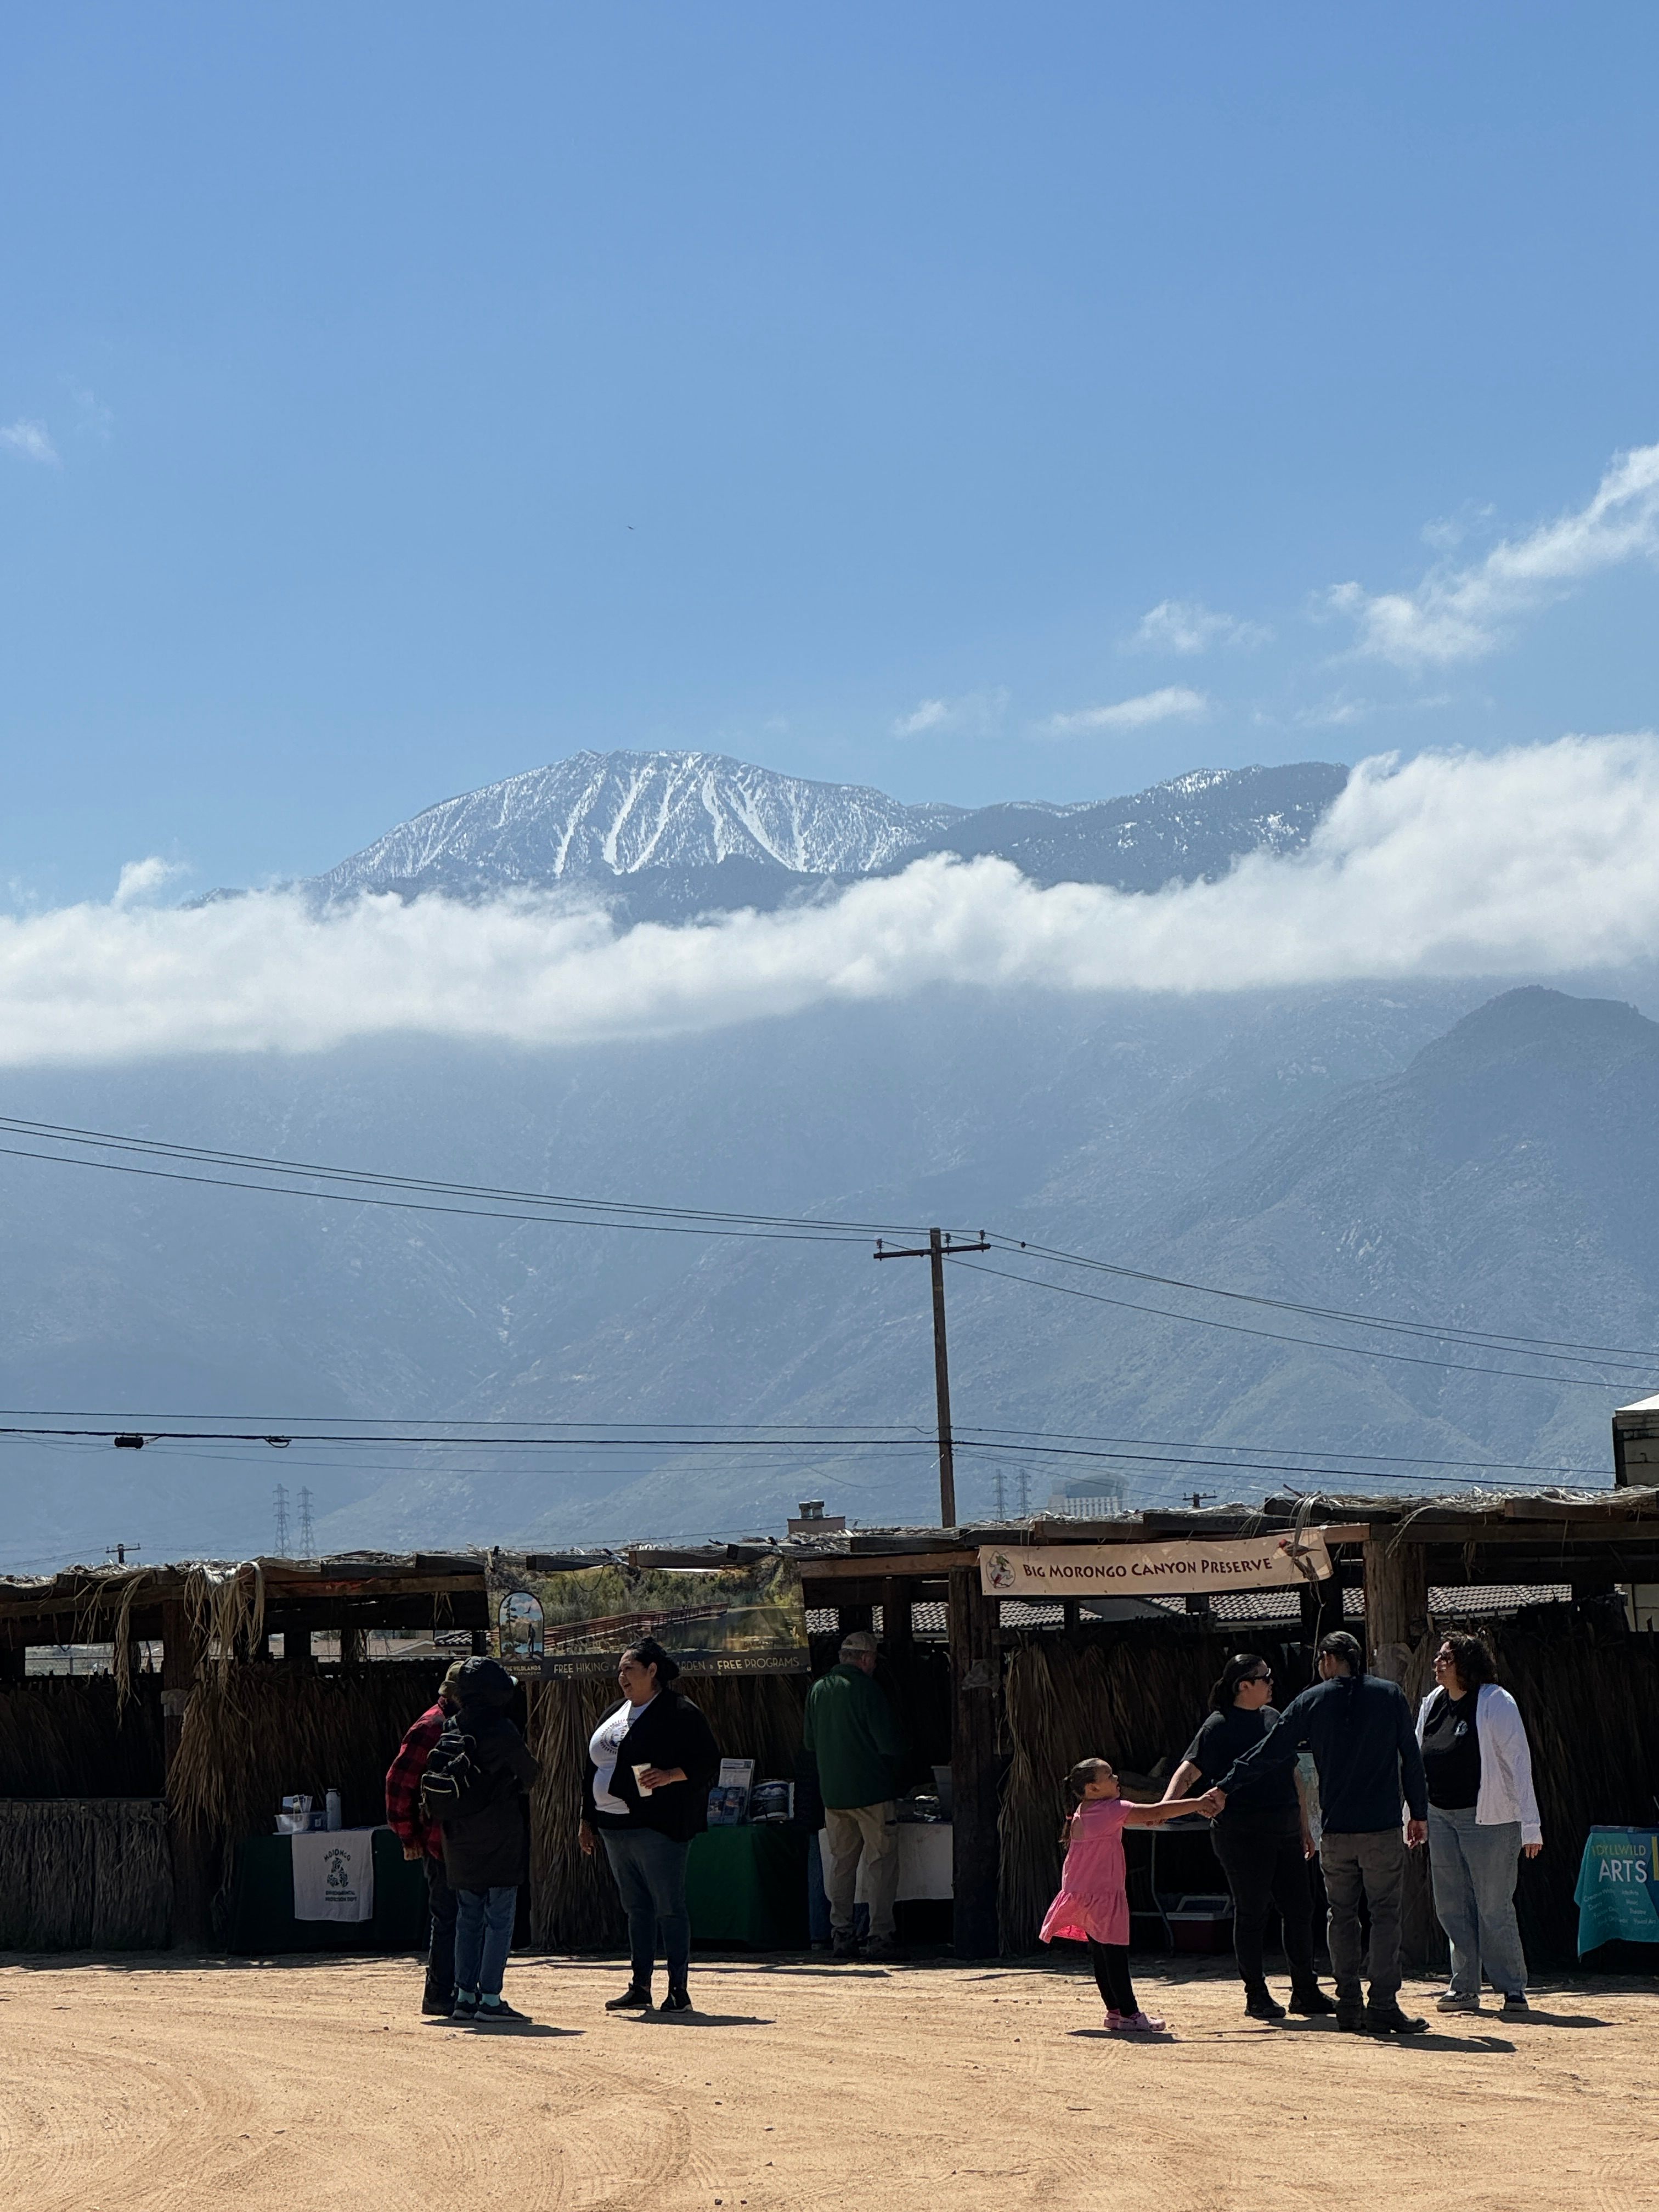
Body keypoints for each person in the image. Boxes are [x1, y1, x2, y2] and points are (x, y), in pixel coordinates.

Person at [1201, 1630, 1430, 2036]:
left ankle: (1347, 2004)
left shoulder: (1312, 1700)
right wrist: (1419, 1813)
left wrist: (1224, 1786)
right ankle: (1383, 2005)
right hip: (1381, 1826)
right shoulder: (1389, 1694)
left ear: (1326, 1660)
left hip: (1337, 1831)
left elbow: (1269, 1751)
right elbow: (1410, 1757)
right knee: (1385, 1915)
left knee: (1340, 1915)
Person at [1162, 1652, 1333, 2022]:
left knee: (1300, 1910)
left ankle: (1305, 1989)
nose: (1272, 1683)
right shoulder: (1218, 1726)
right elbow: (1190, 1770)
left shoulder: (1276, 1720)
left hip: (1286, 1828)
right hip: (1241, 1833)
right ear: (1244, 1686)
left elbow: (1296, 1777)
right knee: (1253, 1911)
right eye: (1265, 1677)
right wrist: (1165, 1807)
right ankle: (1255, 1993)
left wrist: (1305, 1827)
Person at [579, 1637, 721, 2015]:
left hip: (657, 1825)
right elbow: (593, 1767)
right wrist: (587, 1818)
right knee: (636, 1909)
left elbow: (708, 1760)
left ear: (652, 1671)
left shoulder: (678, 1711)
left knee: (668, 1907)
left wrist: (671, 1774)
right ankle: (640, 1986)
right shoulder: (617, 1710)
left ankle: (678, 1991)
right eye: (620, 1669)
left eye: (629, 1669)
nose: (622, 1676)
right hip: (613, 1826)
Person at [1417, 1632, 1543, 2018]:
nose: (1438, 1664)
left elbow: (1520, 1763)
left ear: (1467, 1665)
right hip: (1440, 1816)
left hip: (1489, 1819)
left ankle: (1512, 1988)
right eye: (1438, 1658)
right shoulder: (1431, 1703)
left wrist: (1531, 1826)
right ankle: (1464, 1987)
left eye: (1446, 1659)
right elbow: (1415, 1756)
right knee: (1451, 1905)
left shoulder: (1495, 1703)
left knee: (1493, 1905)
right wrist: (1414, 1815)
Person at [1041, 1756, 1210, 2033]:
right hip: (1104, 1894)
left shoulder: (1087, 1809)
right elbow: (1159, 1811)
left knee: (1102, 1953)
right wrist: (1200, 1802)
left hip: (1083, 1891)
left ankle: (1116, 2012)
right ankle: (1130, 2015)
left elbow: (1149, 1816)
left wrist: (1152, 1817)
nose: (1117, 1779)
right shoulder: (1110, 1810)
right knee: (1115, 1953)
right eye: (1109, 1776)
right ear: (1093, 1788)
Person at [431, 1655, 540, 2025]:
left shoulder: (450, 1727)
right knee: (499, 1918)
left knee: (468, 1918)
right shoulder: (503, 1729)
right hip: (500, 1840)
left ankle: (464, 1996)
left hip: (458, 1840)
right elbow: (531, 1774)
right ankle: (490, 1998)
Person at [802, 1628, 907, 1960]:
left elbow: (809, 1743)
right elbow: (890, 1745)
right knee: (880, 1864)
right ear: (865, 1658)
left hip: (833, 1795)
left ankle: (841, 1933)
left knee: (842, 1866)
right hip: (873, 1793)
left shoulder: (818, 1690)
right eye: (874, 1658)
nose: (875, 1665)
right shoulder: (867, 1690)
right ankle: (879, 1935)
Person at [384, 1657, 468, 2015]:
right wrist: (407, 1835)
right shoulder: (431, 1727)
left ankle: (458, 1991)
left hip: (455, 1840)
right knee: (448, 1917)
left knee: (458, 1917)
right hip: (437, 1841)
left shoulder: (456, 1723)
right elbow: (398, 1784)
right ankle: (439, 1993)